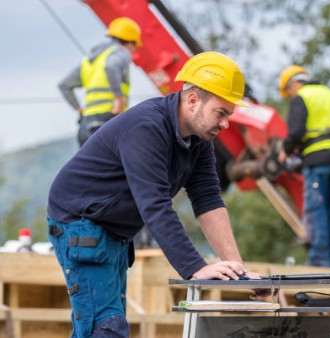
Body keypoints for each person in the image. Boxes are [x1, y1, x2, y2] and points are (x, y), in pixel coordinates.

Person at [47, 51, 256, 337]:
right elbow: (154, 205)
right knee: (105, 327)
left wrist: (238, 273)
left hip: (113, 228)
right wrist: (195, 268)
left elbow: (208, 200)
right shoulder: (147, 127)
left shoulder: (199, 139)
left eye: (229, 115)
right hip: (80, 221)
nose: (225, 124)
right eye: (221, 113)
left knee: (101, 324)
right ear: (193, 100)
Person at [277, 65, 330, 268]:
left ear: (292, 84)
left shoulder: (302, 97)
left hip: (317, 161)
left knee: (315, 209)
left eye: (288, 91)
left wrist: (286, 150)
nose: (290, 95)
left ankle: (319, 260)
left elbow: (297, 131)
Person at [58, 17, 142, 147]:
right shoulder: (121, 52)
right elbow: (111, 67)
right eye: (135, 45)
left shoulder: (89, 60)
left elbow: (64, 85)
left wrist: (79, 110)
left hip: (86, 126)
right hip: (108, 120)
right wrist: (119, 99)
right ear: (130, 43)